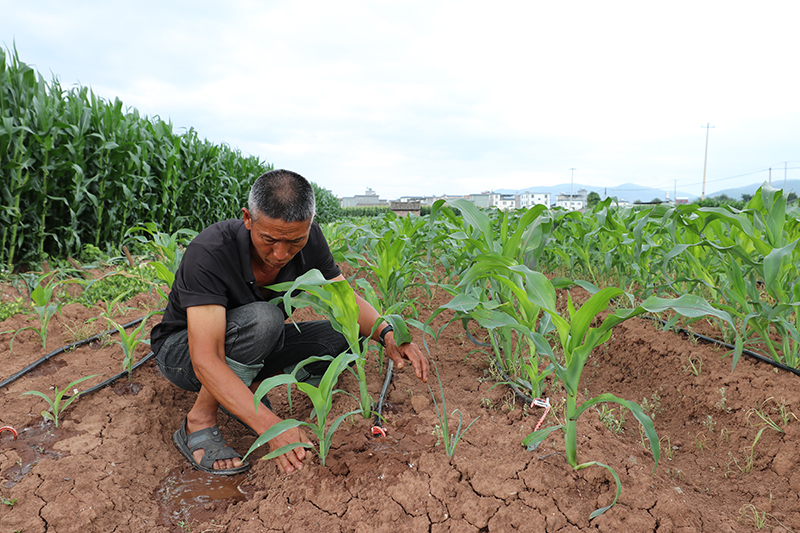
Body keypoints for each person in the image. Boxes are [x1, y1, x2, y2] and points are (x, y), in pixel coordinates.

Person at [150, 169, 429, 475]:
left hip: (254, 341)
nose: (280, 254)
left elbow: (345, 299)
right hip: (184, 354)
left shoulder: (311, 241)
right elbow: (205, 359)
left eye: (294, 241)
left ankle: (250, 383)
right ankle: (199, 421)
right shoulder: (211, 251)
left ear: (309, 225)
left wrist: (387, 333)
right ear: (247, 218)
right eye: (268, 239)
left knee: (343, 336)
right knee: (265, 319)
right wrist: (273, 427)